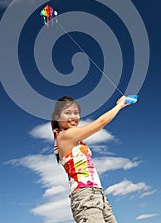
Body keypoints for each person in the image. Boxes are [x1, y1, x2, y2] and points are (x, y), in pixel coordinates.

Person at [51, 95, 130, 223]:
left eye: (76, 113)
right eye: (67, 113)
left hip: (98, 195)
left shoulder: (75, 139)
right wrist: (119, 106)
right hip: (85, 196)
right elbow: (100, 123)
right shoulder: (65, 136)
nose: (73, 117)